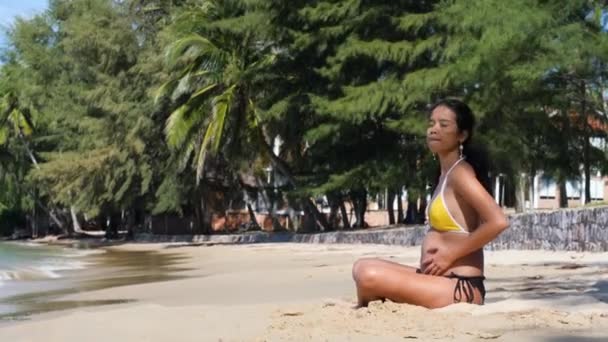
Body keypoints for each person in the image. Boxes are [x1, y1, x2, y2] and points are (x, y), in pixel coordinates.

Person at [352, 98, 509, 309]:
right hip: (439, 281)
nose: (433, 130)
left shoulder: (460, 173)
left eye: (443, 125)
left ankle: (369, 304)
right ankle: (372, 303)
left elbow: (498, 222)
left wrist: (449, 256)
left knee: (367, 275)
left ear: (462, 135)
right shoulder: (446, 173)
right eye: (431, 124)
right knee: (362, 266)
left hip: (459, 287)